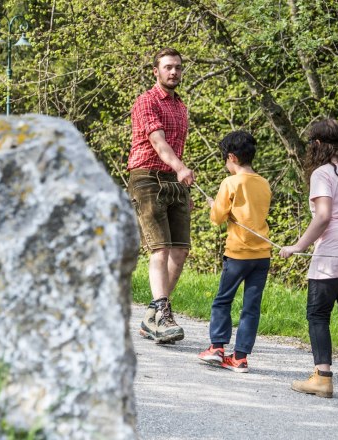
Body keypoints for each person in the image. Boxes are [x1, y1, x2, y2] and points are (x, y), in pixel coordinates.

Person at [279, 118, 338, 400]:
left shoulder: (322, 174)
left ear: (317, 144)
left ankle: (322, 378)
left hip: (333, 251)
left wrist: (298, 246)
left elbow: (323, 216)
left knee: (318, 314)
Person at [129, 47, 195, 344]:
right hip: (147, 177)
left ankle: (152, 317)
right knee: (160, 249)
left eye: (178, 67)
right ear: (156, 71)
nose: (174, 72)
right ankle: (163, 314)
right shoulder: (146, 101)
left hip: (173, 180)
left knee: (180, 251)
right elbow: (158, 142)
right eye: (168, 67)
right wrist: (181, 168)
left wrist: (182, 183)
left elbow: (176, 148)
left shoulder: (181, 107)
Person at [197, 131, 272, 373]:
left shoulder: (230, 183)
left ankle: (217, 347)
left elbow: (217, 218)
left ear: (232, 157)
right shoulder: (264, 183)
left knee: (223, 300)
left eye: (225, 160)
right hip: (262, 255)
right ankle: (240, 358)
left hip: (238, 253)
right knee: (251, 306)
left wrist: (213, 206)